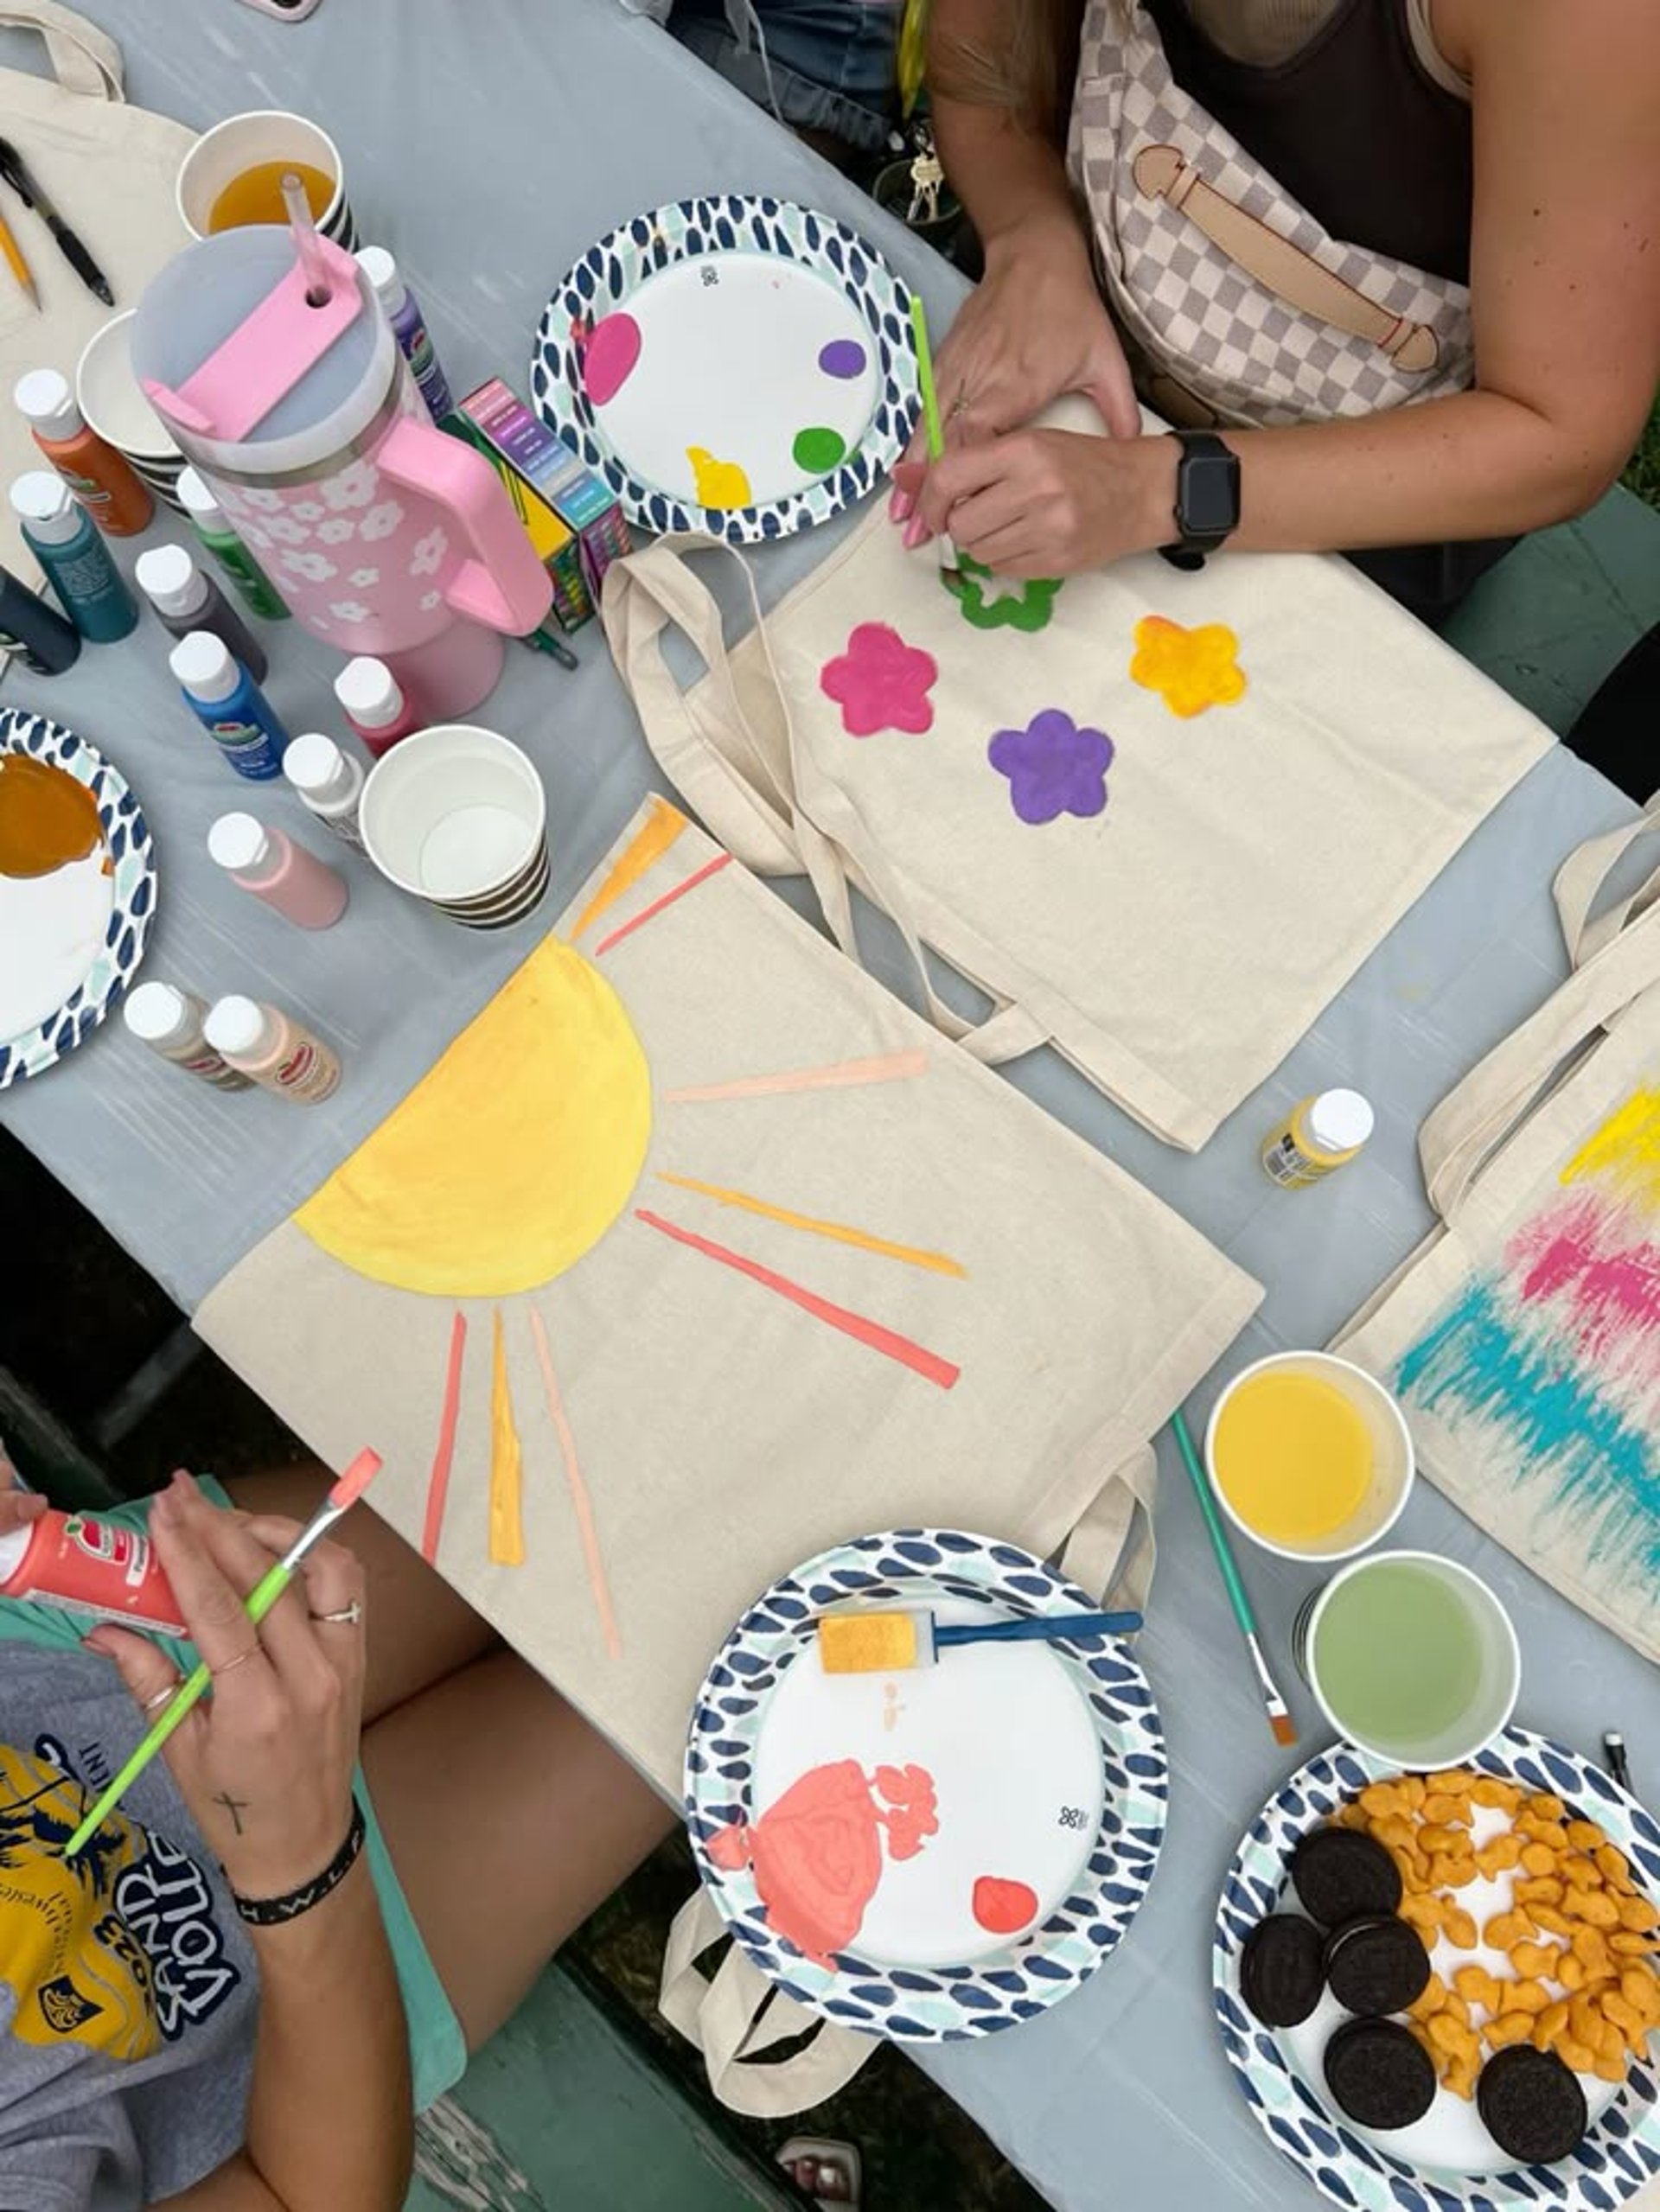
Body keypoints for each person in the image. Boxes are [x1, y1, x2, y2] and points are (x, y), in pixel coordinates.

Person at [0, 1462, 672, 2210]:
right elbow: (302, 2199)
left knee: (553, 1469)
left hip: (76, 1645)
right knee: (697, 1643)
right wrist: (302, 1869)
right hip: (314, 1991)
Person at [894, 0, 1660, 620]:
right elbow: (981, 85)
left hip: (1350, 511)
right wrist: (1033, 245)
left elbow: (1559, 434)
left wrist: (1156, 492)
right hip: (1067, 339)